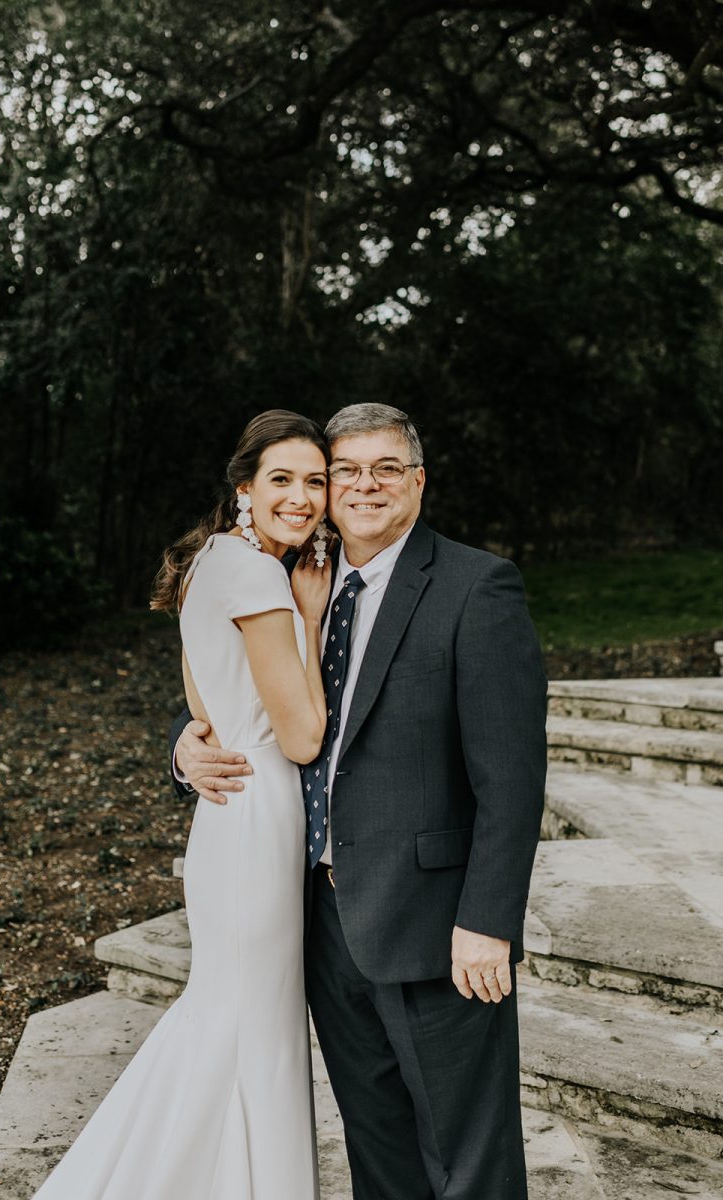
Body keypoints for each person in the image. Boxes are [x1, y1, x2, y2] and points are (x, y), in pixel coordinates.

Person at [173, 402, 548, 1200]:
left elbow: (511, 779)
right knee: (376, 1149)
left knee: (468, 1159)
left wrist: (486, 923)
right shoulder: (292, 576)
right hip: (312, 914)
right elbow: (241, 693)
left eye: (385, 468)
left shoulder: (475, 587)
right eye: (346, 469)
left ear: (416, 481)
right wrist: (184, 745)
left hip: (432, 924)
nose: (363, 484)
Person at [30, 410, 333, 1200]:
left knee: (231, 1013)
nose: (301, 497)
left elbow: (201, 705)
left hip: (225, 814)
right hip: (259, 805)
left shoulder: (208, 561)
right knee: (248, 1024)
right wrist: (308, 615)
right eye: (281, 479)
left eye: (314, 481)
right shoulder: (263, 575)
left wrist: (197, 743)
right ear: (244, 489)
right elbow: (300, 737)